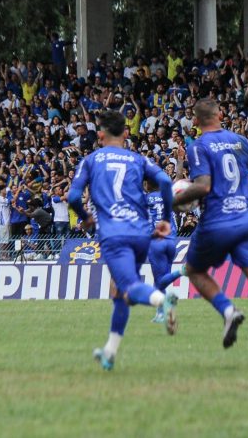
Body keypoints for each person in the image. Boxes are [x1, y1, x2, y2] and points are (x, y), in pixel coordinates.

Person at [173, 98, 248, 369]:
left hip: (217, 223)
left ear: (195, 121)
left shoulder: (198, 146)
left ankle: (228, 311)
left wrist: (176, 196)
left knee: (194, 270)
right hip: (247, 222)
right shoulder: (240, 140)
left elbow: (204, 187)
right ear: (220, 115)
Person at [69, 110, 178, 371]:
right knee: (119, 293)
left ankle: (162, 301)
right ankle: (109, 353)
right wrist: (164, 216)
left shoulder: (91, 160)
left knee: (128, 286)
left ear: (101, 135)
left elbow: (73, 197)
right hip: (141, 234)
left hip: (114, 234)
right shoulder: (138, 159)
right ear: (126, 133)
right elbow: (164, 181)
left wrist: (85, 217)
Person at [146, 179, 186, 323]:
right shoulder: (168, 196)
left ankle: (182, 271)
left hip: (156, 242)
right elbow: (179, 182)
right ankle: (162, 312)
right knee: (162, 280)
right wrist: (180, 162)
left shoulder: (146, 199)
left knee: (159, 282)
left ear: (147, 185)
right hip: (171, 242)